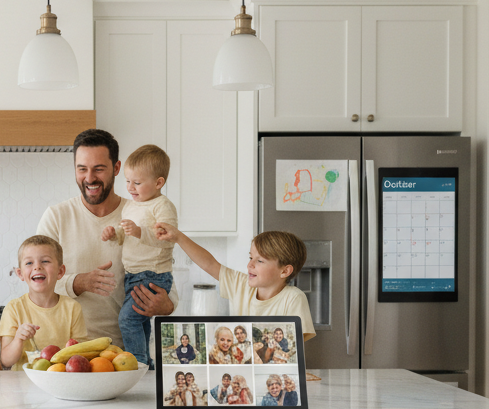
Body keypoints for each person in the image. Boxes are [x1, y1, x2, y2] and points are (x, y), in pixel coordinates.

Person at [37, 129, 176, 348]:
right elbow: (38, 281)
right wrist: (79, 282)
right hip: (65, 350)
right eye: (82, 169)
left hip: (121, 353)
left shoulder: (138, 213)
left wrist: (167, 305)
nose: (90, 178)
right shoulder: (56, 217)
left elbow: (162, 269)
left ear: (117, 168)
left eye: (99, 169)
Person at [154, 225, 316, 343]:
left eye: (260, 260)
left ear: (284, 271)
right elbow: (209, 264)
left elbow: (295, 347)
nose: (250, 265)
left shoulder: (294, 298)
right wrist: (178, 238)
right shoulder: (241, 284)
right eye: (250, 258)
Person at [100, 145, 177, 368]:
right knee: (141, 321)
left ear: (158, 183)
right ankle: (147, 365)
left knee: (128, 319)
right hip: (133, 275)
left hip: (153, 274)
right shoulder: (132, 206)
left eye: (137, 182)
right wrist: (115, 234)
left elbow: (167, 236)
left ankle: (137, 364)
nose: (130, 188)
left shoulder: (163, 206)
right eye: (127, 181)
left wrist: (140, 231)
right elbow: (127, 236)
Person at [0, 235, 86, 370]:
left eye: (45, 261)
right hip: (23, 386)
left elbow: (80, 353)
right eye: (29, 263)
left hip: (60, 383)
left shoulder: (72, 308)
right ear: (20, 273)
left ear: (60, 271)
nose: (37, 267)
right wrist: (18, 340)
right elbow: (6, 361)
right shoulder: (14, 308)